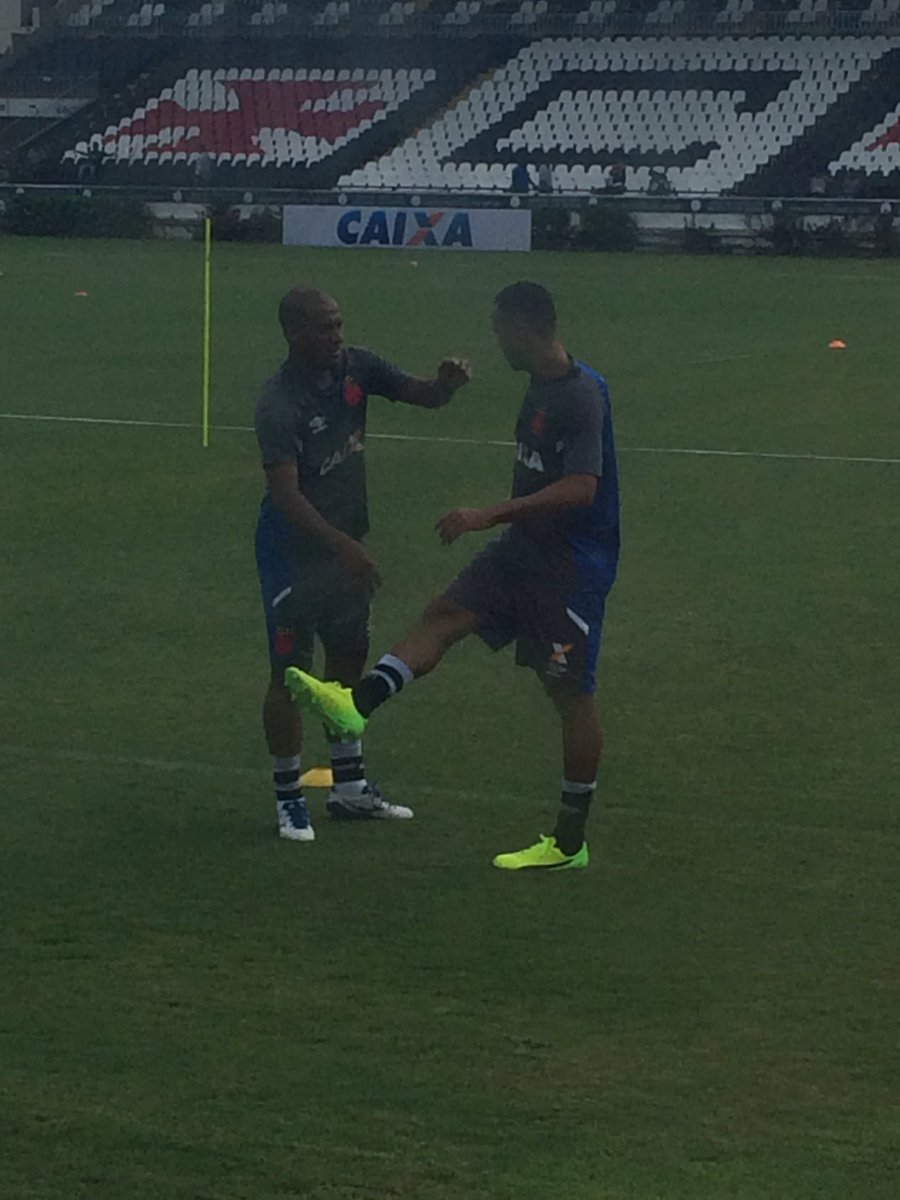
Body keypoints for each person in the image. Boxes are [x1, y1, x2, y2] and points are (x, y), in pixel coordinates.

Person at [286, 282, 620, 872]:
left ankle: (569, 843)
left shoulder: (581, 395)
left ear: (527, 327)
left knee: (570, 694)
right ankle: (355, 706)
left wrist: (486, 514)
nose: (496, 340)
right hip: (521, 552)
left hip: (568, 567)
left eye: (500, 329)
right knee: (445, 614)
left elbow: (581, 488)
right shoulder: (540, 385)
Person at [255, 287, 471, 842]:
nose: (336, 336)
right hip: (294, 554)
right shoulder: (279, 402)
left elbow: (421, 394)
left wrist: (445, 385)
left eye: (338, 324)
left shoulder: (358, 367)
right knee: (291, 673)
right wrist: (342, 546)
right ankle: (288, 798)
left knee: (348, 658)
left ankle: (349, 788)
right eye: (324, 328)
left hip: (346, 547)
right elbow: (286, 496)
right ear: (293, 334)